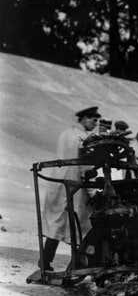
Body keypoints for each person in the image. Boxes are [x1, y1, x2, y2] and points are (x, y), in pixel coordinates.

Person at [40, 106, 100, 271]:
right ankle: (76, 264)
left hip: (58, 182)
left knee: (58, 222)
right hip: (74, 185)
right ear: (84, 119)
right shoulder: (85, 139)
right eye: (93, 120)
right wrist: (93, 192)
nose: (95, 124)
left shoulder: (66, 133)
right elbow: (86, 168)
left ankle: (45, 260)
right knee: (81, 226)